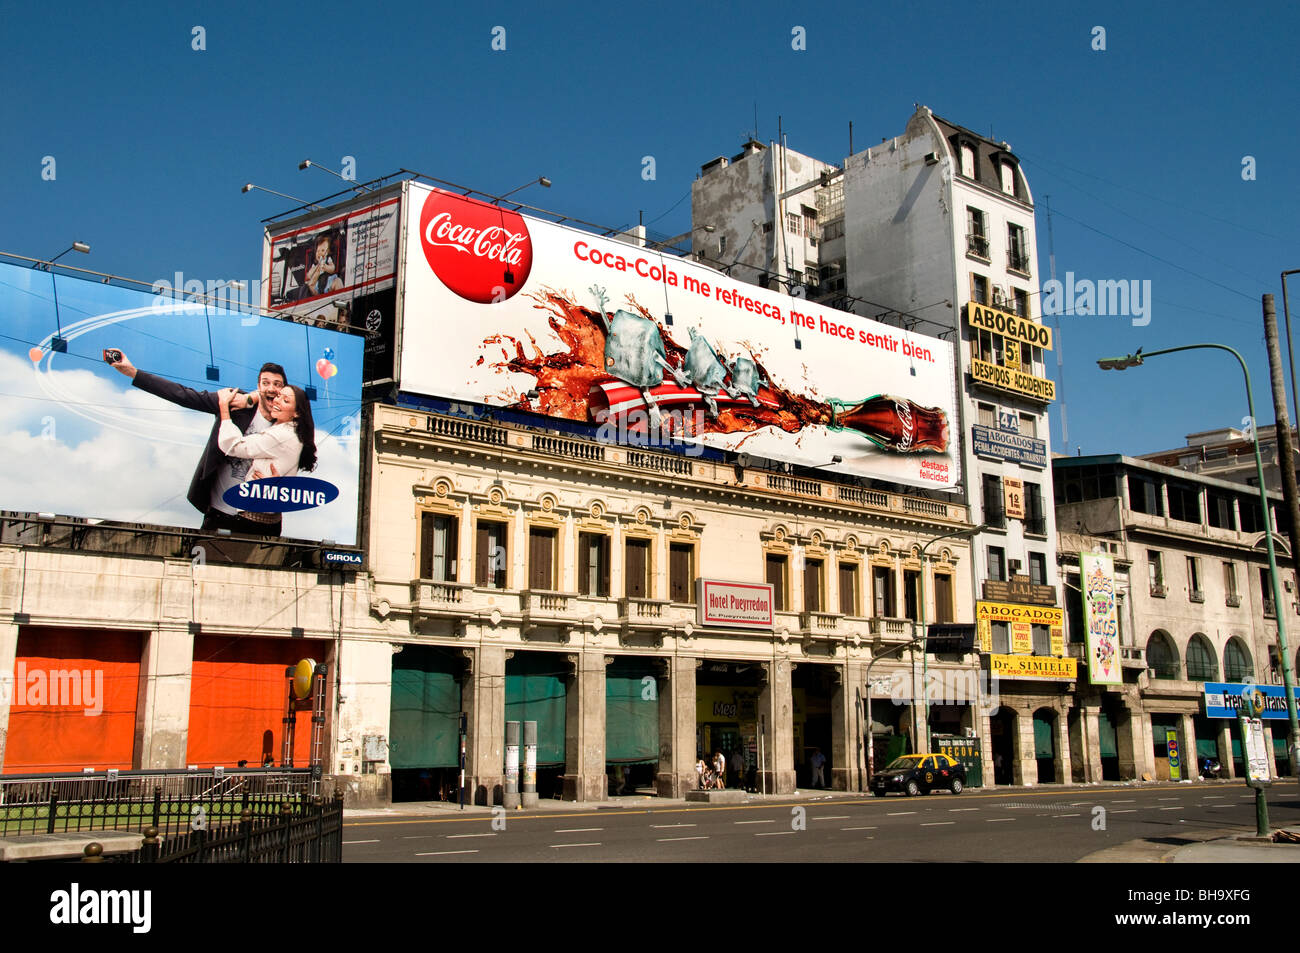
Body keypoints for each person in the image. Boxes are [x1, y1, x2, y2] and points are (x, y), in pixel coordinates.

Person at [108, 351, 306, 536]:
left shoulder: (288, 427)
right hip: (220, 513)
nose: (271, 388)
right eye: (266, 383)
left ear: (284, 391)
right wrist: (133, 373)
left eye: (278, 385)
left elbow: (300, 462)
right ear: (258, 386)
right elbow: (184, 395)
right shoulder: (234, 403)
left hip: (262, 521)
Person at [216, 384, 317, 494]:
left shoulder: (280, 436)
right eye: (278, 396)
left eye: (286, 401)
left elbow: (233, 446)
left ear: (296, 413)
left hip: (257, 509)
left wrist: (224, 407)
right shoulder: (292, 432)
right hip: (265, 505)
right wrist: (251, 398)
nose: (277, 400)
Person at [303, 233, 344, 298]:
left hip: (329, 283)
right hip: (317, 287)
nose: (319, 253)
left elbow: (332, 269)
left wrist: (325, 267)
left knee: (338, 281)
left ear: (328, 252)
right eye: (318, 251)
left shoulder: (328, 260)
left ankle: (341, 298)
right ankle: (316, 298)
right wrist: (316, 269)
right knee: (309, 285)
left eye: (322, 250)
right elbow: (308, 275)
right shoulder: (315, 264)